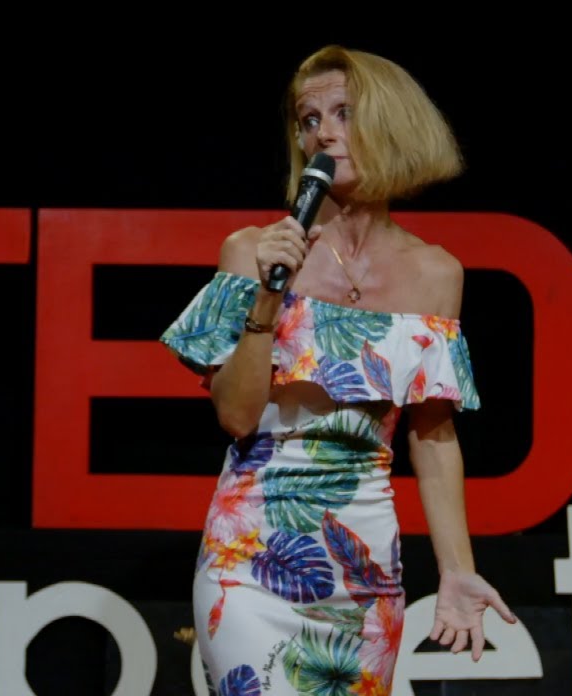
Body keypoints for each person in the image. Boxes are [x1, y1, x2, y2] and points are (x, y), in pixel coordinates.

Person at [160, 45, 517, 695]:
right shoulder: (251, 251)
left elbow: (433, 436)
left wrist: (457, 570)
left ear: (390, 124)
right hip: (251, 560)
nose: (323, 133)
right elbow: (236, 416)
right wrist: (268, 297)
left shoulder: (436, 274)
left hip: (365, 573)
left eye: (344, 113)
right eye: (309, 119)